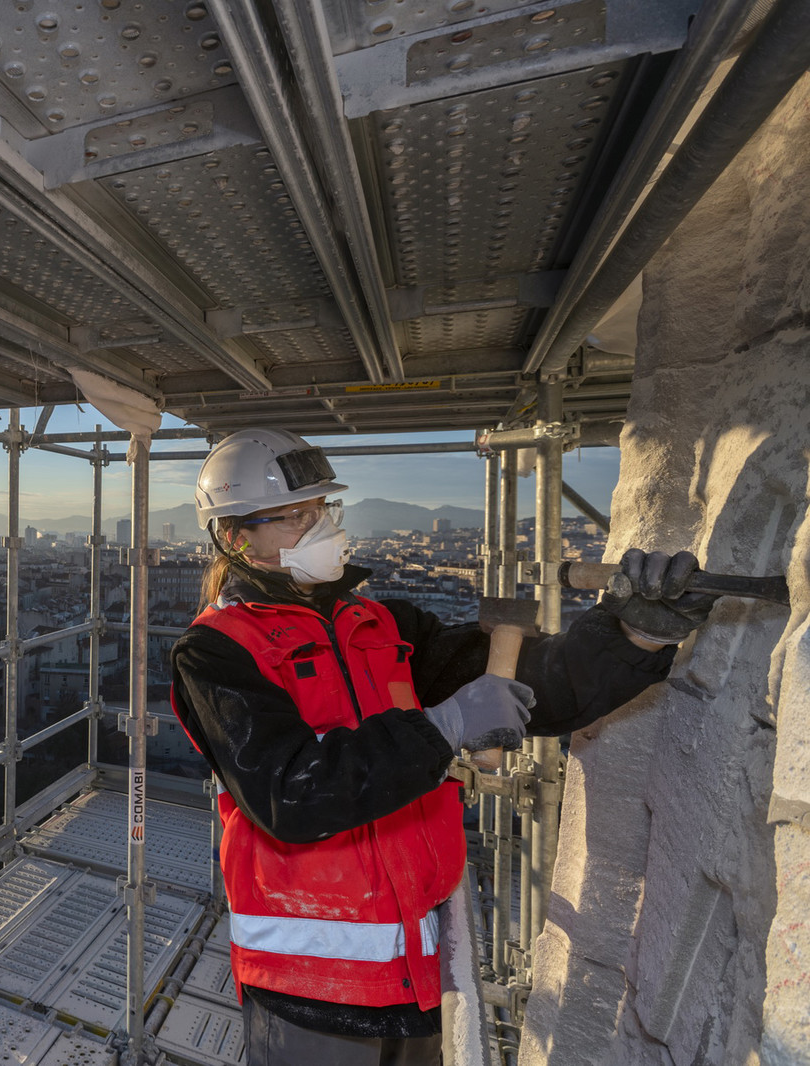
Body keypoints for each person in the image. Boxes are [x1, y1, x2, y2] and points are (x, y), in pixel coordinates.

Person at [169, 428, 714, 1066]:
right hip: (311, 988)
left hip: (416, 966)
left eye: (322, 510)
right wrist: (444, 726)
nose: (318, 527)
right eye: (294, 517)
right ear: (236, 537)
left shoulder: (386, 625)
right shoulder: (217, 652)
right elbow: (291, 793)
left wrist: (632, 635)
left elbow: (540, 683)